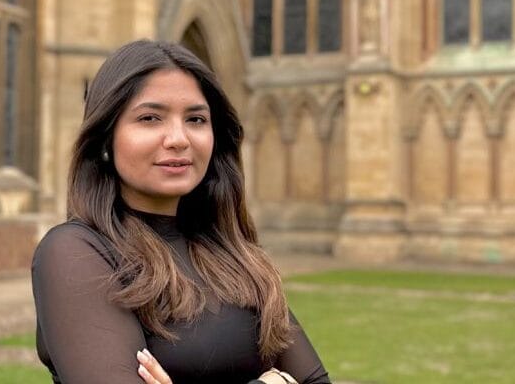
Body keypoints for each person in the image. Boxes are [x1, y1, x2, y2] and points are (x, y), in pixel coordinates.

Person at [31, 40, 330, 384]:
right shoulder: (74, 253)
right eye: (150, 118)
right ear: (105, 139)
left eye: (196, 119)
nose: (179, 138)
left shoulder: (235, 258)